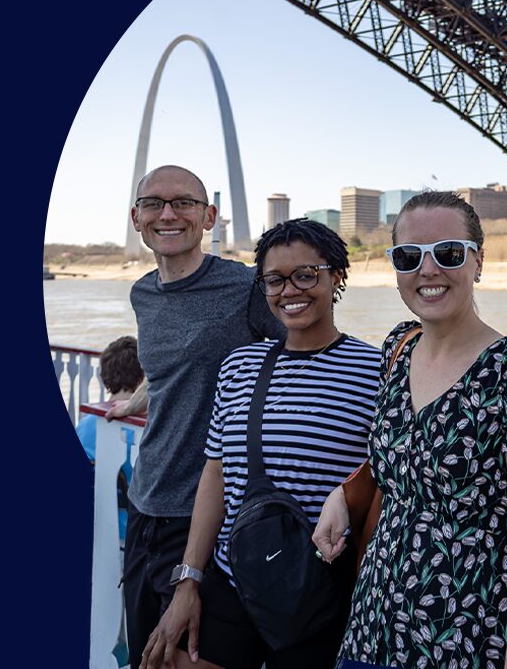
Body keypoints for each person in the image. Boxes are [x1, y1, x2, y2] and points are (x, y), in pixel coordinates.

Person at [314, 191, 507, 669]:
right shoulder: (399, 347)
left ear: (478, 262)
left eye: (449, 253)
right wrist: (342, 496)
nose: (428, 270)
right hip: (371, 627)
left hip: (466, 637)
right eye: (409, 256)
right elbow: (406, 459)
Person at [139, 218, 382, 669]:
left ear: (336, 277)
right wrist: (189, 581)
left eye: (306, 275)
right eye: (275, 280)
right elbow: (216, 474)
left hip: (318, 589)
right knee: (169, 659)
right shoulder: (238, 366)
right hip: (234, 577)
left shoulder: (376, 371)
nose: (290, 291)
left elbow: (386, 476)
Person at [110, 165, 286, 669]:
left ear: (208, 216)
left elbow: (306, 350)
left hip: (209, 514)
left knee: (183, 658)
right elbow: (168, 370)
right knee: (145, 653)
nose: (168, 214)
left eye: (183, 203)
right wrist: (135, 401)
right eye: (154, 204)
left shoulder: (247, 287)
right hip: (145, 501)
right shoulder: (143, 294)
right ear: (137, 218)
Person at [76, 335, 145, 540]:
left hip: (96, 531)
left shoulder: (85, 426)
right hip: (134, 535)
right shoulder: (143, 431)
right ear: (143, 377)